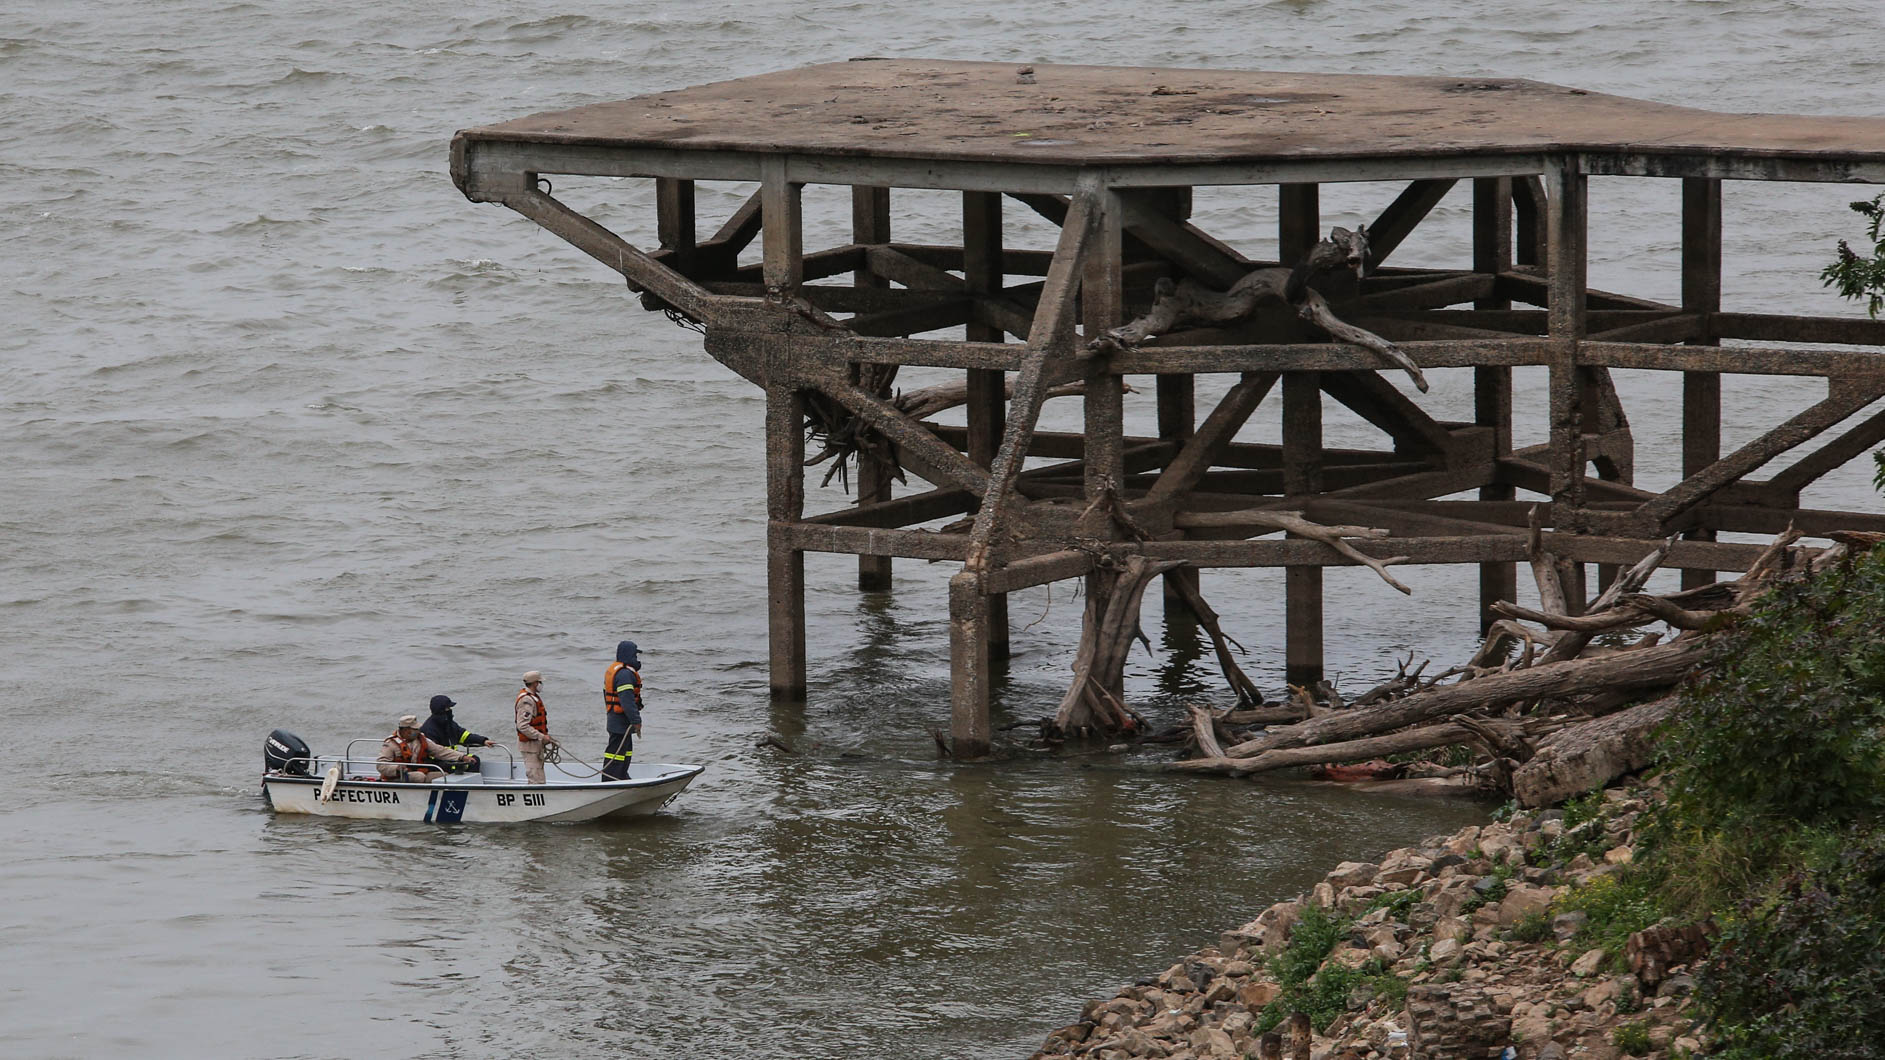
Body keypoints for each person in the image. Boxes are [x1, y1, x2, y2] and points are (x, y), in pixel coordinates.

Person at [378, 714, 472, 782]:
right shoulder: (390, 744)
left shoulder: (421, 739)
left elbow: (440, 751)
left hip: (419, 772)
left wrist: (462, 756)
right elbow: (381, 765)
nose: (418, 731)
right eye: (415, 729)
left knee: (443, 776)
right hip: (397, 776)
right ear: (406, 730)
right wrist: (397, 769)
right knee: (419, 777)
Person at [419, 694, 497, 773]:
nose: (450, 710)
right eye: (448, 708)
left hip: (453, 759)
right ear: (441, 710)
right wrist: (460, 757)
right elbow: (435, 753)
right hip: (438, 762)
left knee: (475, 760)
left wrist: (483, 741)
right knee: (464, 764)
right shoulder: (429, 729)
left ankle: (472, 784)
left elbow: (464, 736)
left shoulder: (450, 724)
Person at [601, 640, 643, 781]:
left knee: (625, 751)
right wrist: (636, 721)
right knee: (616, 753)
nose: (637, 659)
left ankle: (621, 775)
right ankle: (609, 780)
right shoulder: (625, 674)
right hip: (620, 722)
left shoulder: (618, 671)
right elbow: (627, 701)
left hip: (618, 720)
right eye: (635, 656)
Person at [514, 670, 555, 784]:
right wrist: (541, 736)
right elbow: (522, 725)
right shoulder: (526, 700)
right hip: (529, 746)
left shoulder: (533, 697)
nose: (541, 685)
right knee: (536, 778)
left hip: (535, 744)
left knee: (538, 777)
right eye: (540, 682)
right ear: (535, 683)